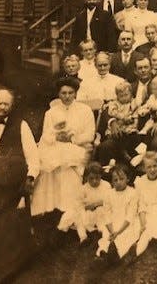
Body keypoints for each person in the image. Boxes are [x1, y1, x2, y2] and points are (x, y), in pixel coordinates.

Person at [0, 88, 40, 282]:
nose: (2, 107)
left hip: (13, 188)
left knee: (7, 224)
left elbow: (33, 157)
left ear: (11, 106)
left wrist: (30, 178)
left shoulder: (21, 125)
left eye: (6, 104)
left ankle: (6, 265)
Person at [31, 77, 96, 216]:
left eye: (70, 93)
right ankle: (49, 205)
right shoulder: (51, 112)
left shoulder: (85, 110)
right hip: (55, 146)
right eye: (63, 93)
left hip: (77, 147)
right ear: (58, 94)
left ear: (76, 94)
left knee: (63, 161)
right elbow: (46, 135)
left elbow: (90, 135)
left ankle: (68, 206)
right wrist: (56, 136)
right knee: (50, 161)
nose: (67, 96)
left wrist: (72, 139)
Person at [57, 161, 111, 243]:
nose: (94, 181)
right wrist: (86, 207)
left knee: (102, 217)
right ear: (86, 178)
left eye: (97, 178)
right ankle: (83, 237)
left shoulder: (106, 185)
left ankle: (104, 233)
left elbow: (110, 200)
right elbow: (79, 203)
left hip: (102, 211)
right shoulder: (84, 188)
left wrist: (97, 204)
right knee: (78, 216)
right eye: (91, 178)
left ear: (101, 175)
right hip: (88, 212)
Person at [96, 164, 140, 262]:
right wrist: (112, 231)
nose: (118, 182)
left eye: (121, 179)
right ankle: (104, 252)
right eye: (115, 180)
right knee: (106, 235)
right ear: (112, 182)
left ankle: (120, 253)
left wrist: (118, 231)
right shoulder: (109, 194)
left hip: (126, 223)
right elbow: (106, 214)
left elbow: (130, 215)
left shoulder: (132, 193)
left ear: (127, 179)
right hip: (112, 222)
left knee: (126, 236)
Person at [96, 81, 140, 169]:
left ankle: (130, 160)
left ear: (131, 94)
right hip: (118, 129)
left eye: (126, 95)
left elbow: (136, 114)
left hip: (129, 129)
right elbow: (111, 112)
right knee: (116, 137)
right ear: (117, 96)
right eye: (121, 96)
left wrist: (134, 122)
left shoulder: (134, 103)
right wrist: (123, 117)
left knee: (132, 137)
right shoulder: (114, 103)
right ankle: (123, 153)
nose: (124, 98)